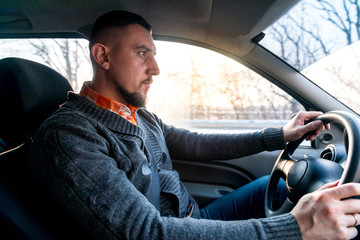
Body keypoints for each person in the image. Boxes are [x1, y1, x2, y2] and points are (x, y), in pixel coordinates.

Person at [29, 10, 360, 240]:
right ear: (103, 57)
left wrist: (279, 135)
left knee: (273, 187)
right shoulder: (68, 135)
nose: (156, 68)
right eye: (143, 53)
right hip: (170, 233)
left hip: (194, 220)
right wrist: (294, 230)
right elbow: (142, 233)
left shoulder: (138, 115)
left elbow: (196, 143)